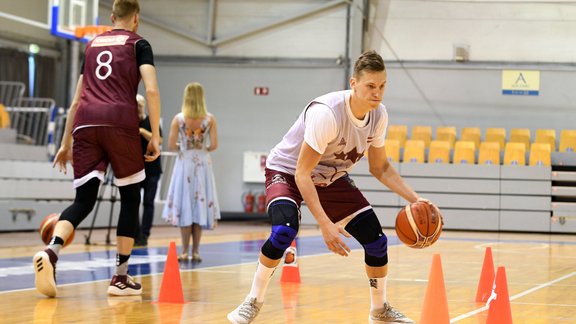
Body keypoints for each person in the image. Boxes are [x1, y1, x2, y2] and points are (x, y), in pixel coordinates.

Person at [227, 50, 437, 324]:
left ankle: (380, 309)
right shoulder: (327, 114)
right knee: (283, 232)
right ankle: (252, 301)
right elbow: (302, 174)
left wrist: (418, 201)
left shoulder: (378, 115)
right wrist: (325, 224)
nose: (378, 93)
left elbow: (380, 168)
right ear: (354, 83)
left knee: (377, 241)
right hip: (289, 171)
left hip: (329, 176)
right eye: (371, 86)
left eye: (382, 86)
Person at [33, 0, 161, 297]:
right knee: (130, 198)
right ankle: (119, 277)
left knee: (84, 200)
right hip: (119, 122)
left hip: (85, 123)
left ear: (112, 17)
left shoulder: (92, 45)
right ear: (136, 19)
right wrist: (154, 134)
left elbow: (76, 100)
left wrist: (66, 142)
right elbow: (151, 89)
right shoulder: (139, 43)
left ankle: (52, 251)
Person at [162, 82, 220, 262]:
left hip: (185, 162)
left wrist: (185, 145)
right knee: (200, 204)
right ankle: (196, 251)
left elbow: (171, 145)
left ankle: (184, 250)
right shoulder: (209, 119)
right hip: (202, 163)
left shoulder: (179, 119)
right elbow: (214, 145)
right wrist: (201, 149)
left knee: (185, 203)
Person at [134, 94, 163, 246]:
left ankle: (145, 234)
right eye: (135, 104)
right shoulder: (129, 122)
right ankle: (135, 233)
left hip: (152, 169)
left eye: (139, 104)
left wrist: (142, 132)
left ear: (144, 105)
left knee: (148, 202)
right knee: (133, 202)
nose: (137, 107)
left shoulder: (151, 121)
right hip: (134, 169)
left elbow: (160, 140)